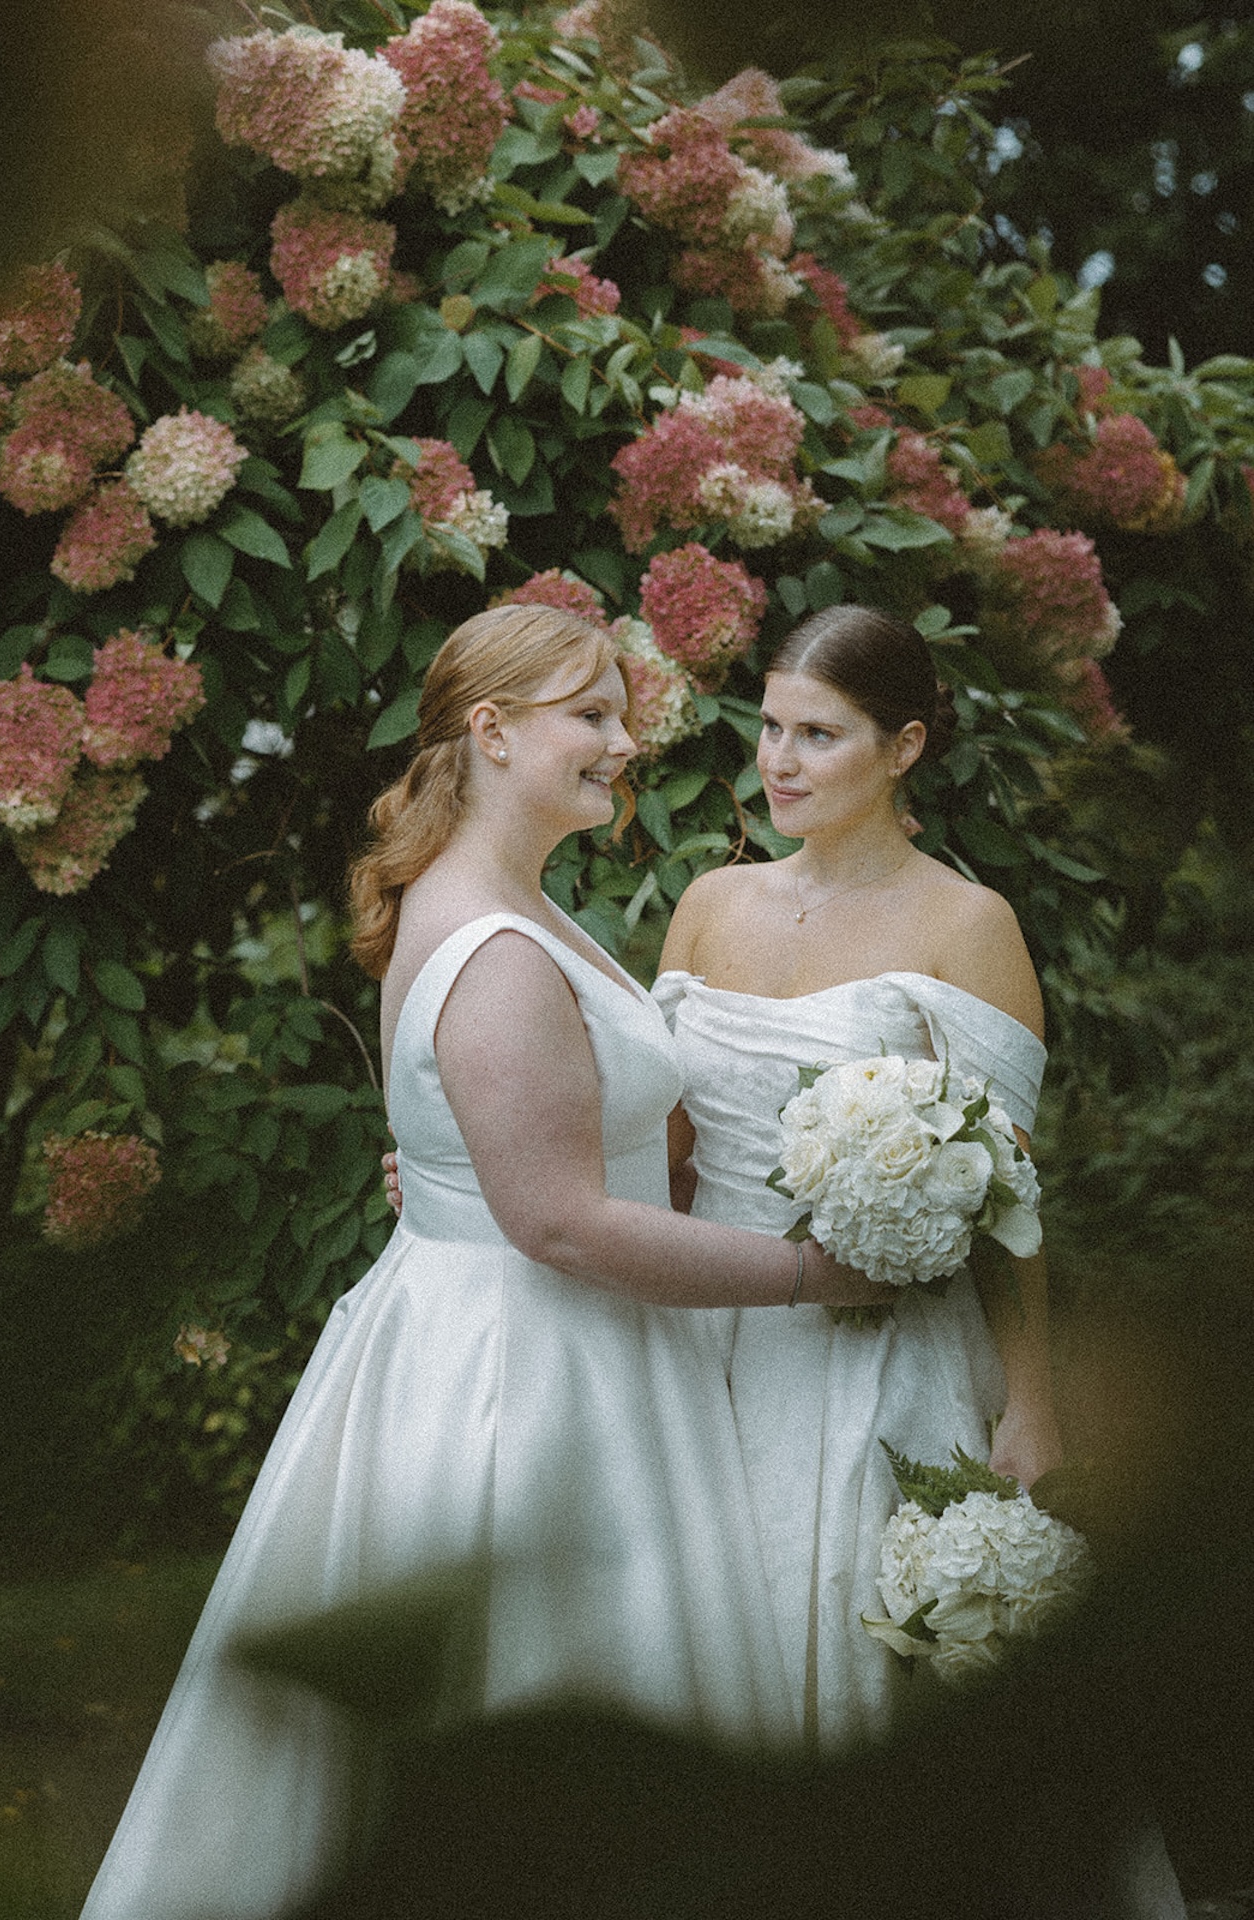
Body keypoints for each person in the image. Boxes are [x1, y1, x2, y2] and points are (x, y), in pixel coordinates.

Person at [79, 603, 893, 1920]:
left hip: (533, 1331)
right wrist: (816, 1275)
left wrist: (462, 1184)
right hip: (533, 1377)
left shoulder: (508, 901)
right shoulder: (499, 943)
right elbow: (562, 1224)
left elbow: (513, 1162)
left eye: (622, 714)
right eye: (592, 714)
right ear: (492, 728)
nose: (625, 742)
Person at [651, 602, 1061, 1752]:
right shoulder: (707, 905)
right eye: (769, 727)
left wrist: (1028, 1402)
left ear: (905, 746)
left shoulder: (965, 925)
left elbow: (1010, 1199)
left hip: (880, 1352)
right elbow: (656, 1152)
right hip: (702, 1338)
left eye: (817, 735)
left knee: (860, 1664)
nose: (776, 762)